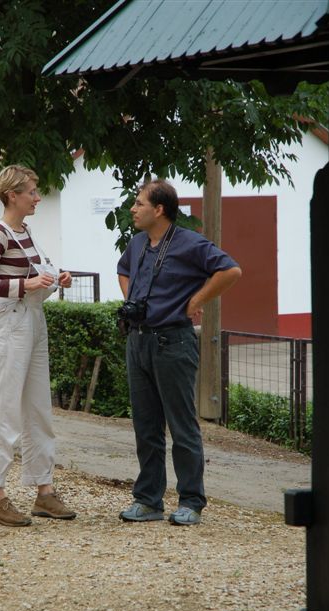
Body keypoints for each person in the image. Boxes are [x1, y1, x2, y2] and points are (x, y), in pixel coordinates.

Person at [117, 179, 242, 526]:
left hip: (173, 342)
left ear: (159, 209)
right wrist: (132, 301)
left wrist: (196, 301)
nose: (133, 209)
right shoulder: (137, 243)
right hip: (137, 341)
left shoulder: (190, 243)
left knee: (182, 426)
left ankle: (190, 501)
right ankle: (148, 500)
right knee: (146, 426)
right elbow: (123, 270)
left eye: (139, 203)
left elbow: (231, 270)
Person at [0, 165, 76, 526]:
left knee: (38, 408)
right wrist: (24, 285)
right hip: (11, 323)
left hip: (33, 321)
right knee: (3, 411)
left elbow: (34, 274)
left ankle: (44, 492)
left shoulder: (26, 232)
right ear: (12, 195)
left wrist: (57, 277)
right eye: (31, 191)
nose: (37, 198)